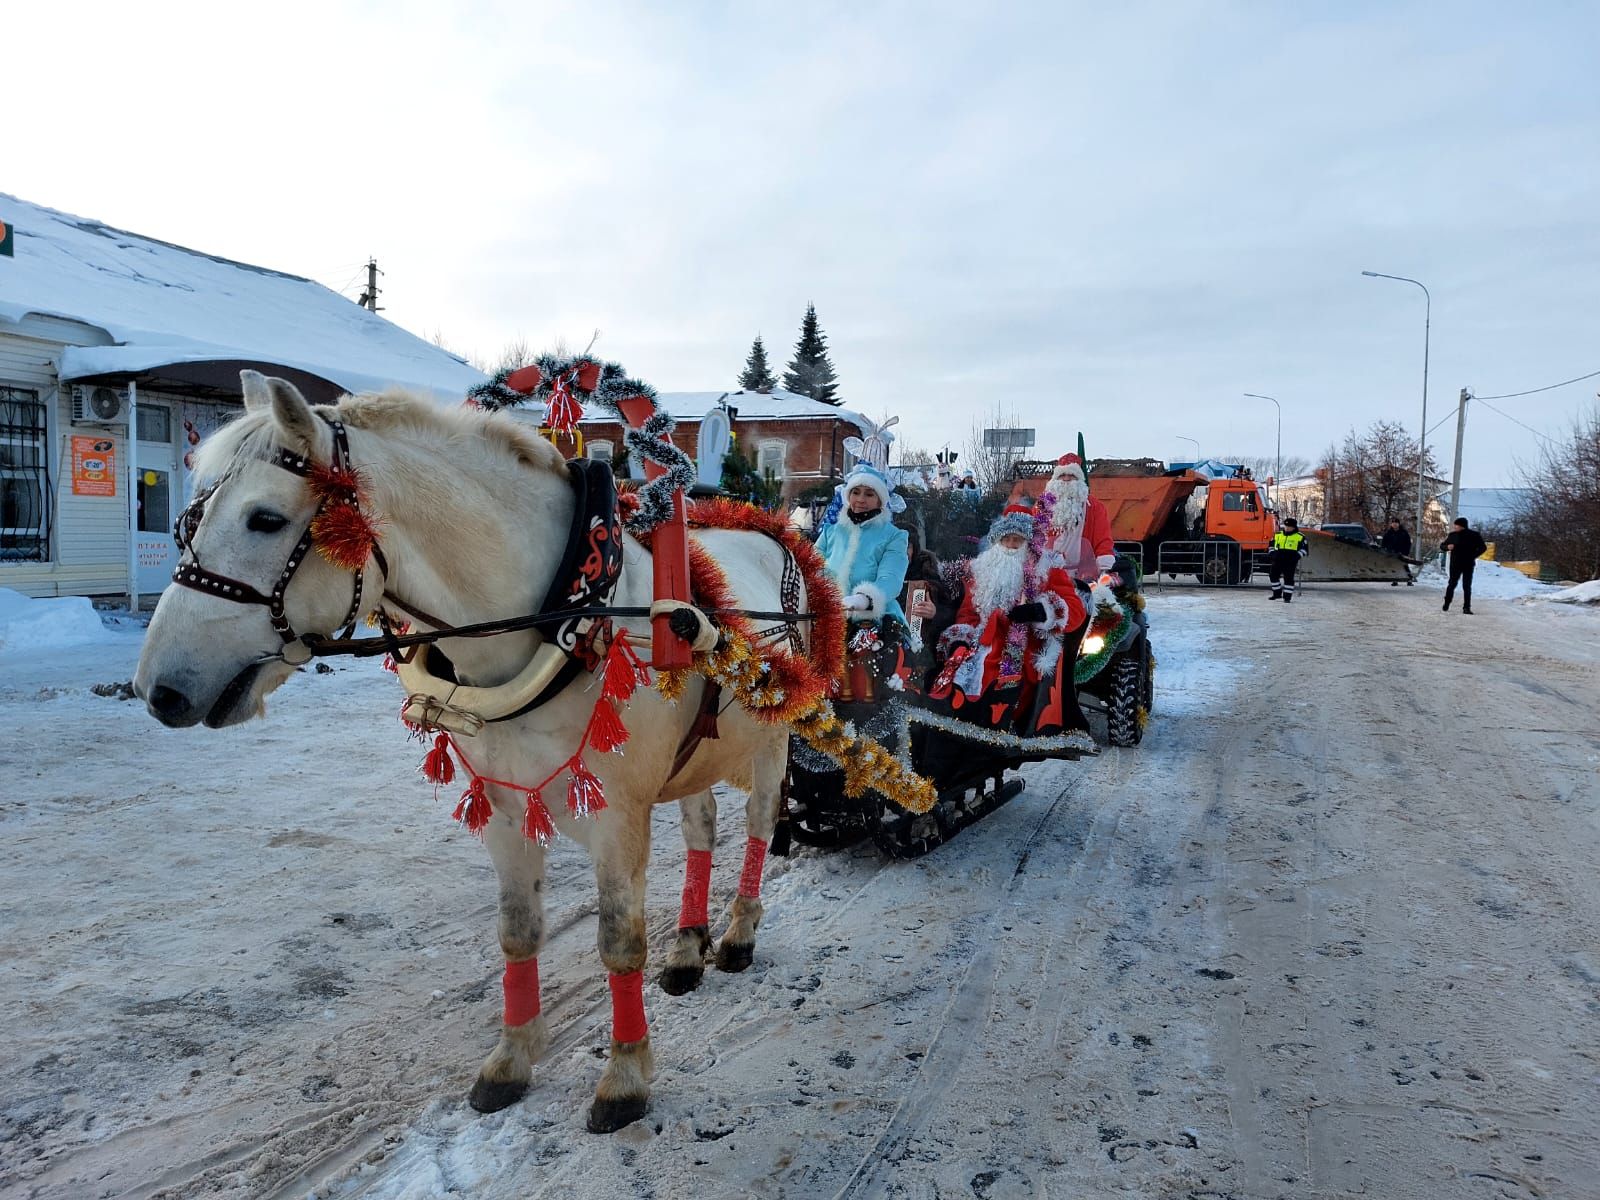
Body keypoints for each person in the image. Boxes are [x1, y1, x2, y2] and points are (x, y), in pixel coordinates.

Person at [933, 504, 1087, 738]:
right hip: (981, 641)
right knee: (954, 676)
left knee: (1001, 686)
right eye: (1007, 539)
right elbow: (968, 614)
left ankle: (994, 725)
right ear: (997, 540)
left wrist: (1041, 611)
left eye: (1019, 540)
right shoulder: (981, 570)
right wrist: (960, 639)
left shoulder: (1047, 570)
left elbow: (1075, 611)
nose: (1012, 545)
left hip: (1023, 647)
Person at [815, 463, 911, 633]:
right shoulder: (831, 532)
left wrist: (865, 599)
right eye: (855, 492)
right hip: (828, 616)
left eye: (869, 494)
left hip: (877, 620)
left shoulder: (894, 536)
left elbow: (891, 578)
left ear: (880, 500)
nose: (860, 499)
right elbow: (810, 566)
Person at [1040, 453, 1116, 583]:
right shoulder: (1043, 505)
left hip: (1084, 572)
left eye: (1071, 475)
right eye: (1062, 475)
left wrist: (1104, 566)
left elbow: (1102, 537)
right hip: (1050, 571)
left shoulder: (1094, 507)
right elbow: (1036, 535)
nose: (1066, 479)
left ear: (1079, 479)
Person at [1440, 516, 1487, 614]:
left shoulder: (1474, 535)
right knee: (1452, 584)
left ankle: (1466, 607)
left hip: (1468, 564)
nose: (1455, 527)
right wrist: (1447, 547)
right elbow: (1442, 546)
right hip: (1455, 563)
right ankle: (1446, 603)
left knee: (1467, 586)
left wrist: (1473, 555)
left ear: (1462, 526)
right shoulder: (1452, 535)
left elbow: (1483, 547)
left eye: (1456, 525)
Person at [1268, 517, 1308, 601]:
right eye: (1286, 526)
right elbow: (1271, 545)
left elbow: (1304, 550)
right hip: (1278, 559)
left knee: (1288, 579)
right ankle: (1277, 593)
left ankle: (1287, 597)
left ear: (1294, 527)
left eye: (1289, 527)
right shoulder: (1278, 534)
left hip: (1290, 561)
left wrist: (1297, 556)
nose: (1287, 528)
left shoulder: (1300, 537)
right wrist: (1272, 553)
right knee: (1273, 576)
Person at [1380, 518, 1412, 586]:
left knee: (1404, 566)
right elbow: (1384, 543)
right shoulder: (1388, 533)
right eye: (1393, 523)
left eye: (1396, 523)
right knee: (1394, 566)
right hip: (1392, 552)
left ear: (1398, 524)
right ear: (1391, 524)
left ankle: (1409, 580)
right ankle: (1395, 580)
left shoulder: (1404, 533)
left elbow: (1408, 543)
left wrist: (1406, 552)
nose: (1394, 524)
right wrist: (1385, 551)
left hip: (1402, 552)